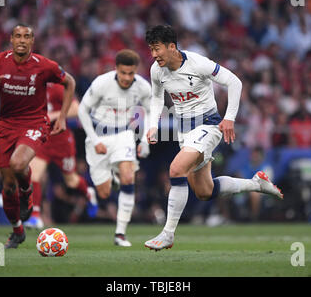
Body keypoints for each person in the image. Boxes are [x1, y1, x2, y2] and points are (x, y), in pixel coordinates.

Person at [144, 25, 283, 251]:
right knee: (204, 191)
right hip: (185, 133)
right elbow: (156, 98)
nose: (154, 55)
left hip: (208, 125)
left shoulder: (198, 63)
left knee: (176, 169)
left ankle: (168, 233)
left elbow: (234, 82)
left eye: (157, 49)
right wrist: (152, 125)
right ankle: (256, 184)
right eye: (151, 50)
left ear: (171, 46)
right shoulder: (156, 70)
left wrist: (229, 118)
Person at [0, 23, 75, 248]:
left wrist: (61, 118)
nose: (22, 40)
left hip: (34, 123)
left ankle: (28, 190)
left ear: (32, 41)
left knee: (18, 163)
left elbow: (69, 82)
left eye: (27, 37)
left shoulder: (44, 66)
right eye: (18, 36)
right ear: (11, 39)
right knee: (7, 185)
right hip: (6, 126)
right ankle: (17, 230)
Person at [77, 49, 151, 247]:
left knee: (129, 178)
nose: (127, 78)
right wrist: (94, 140)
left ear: (136, 71)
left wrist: (144, 139)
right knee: (104, 193)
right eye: (123, 73)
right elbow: (82, 110)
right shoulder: (102, 83)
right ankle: (113, 180)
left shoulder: (143, 87)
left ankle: (120, 234)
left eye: (131, 73)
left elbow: (152, 110)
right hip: (98, 136)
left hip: (123, 135)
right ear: (116, 69)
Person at [24, 82, 97, 229]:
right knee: (34, 175)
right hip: (43, 139)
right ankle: (35, 216)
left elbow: (76, 109)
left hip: (61, 140)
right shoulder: (27, 89)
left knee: (71, 180)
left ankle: (88, 193)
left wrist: (53, 115)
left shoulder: (56, 88)